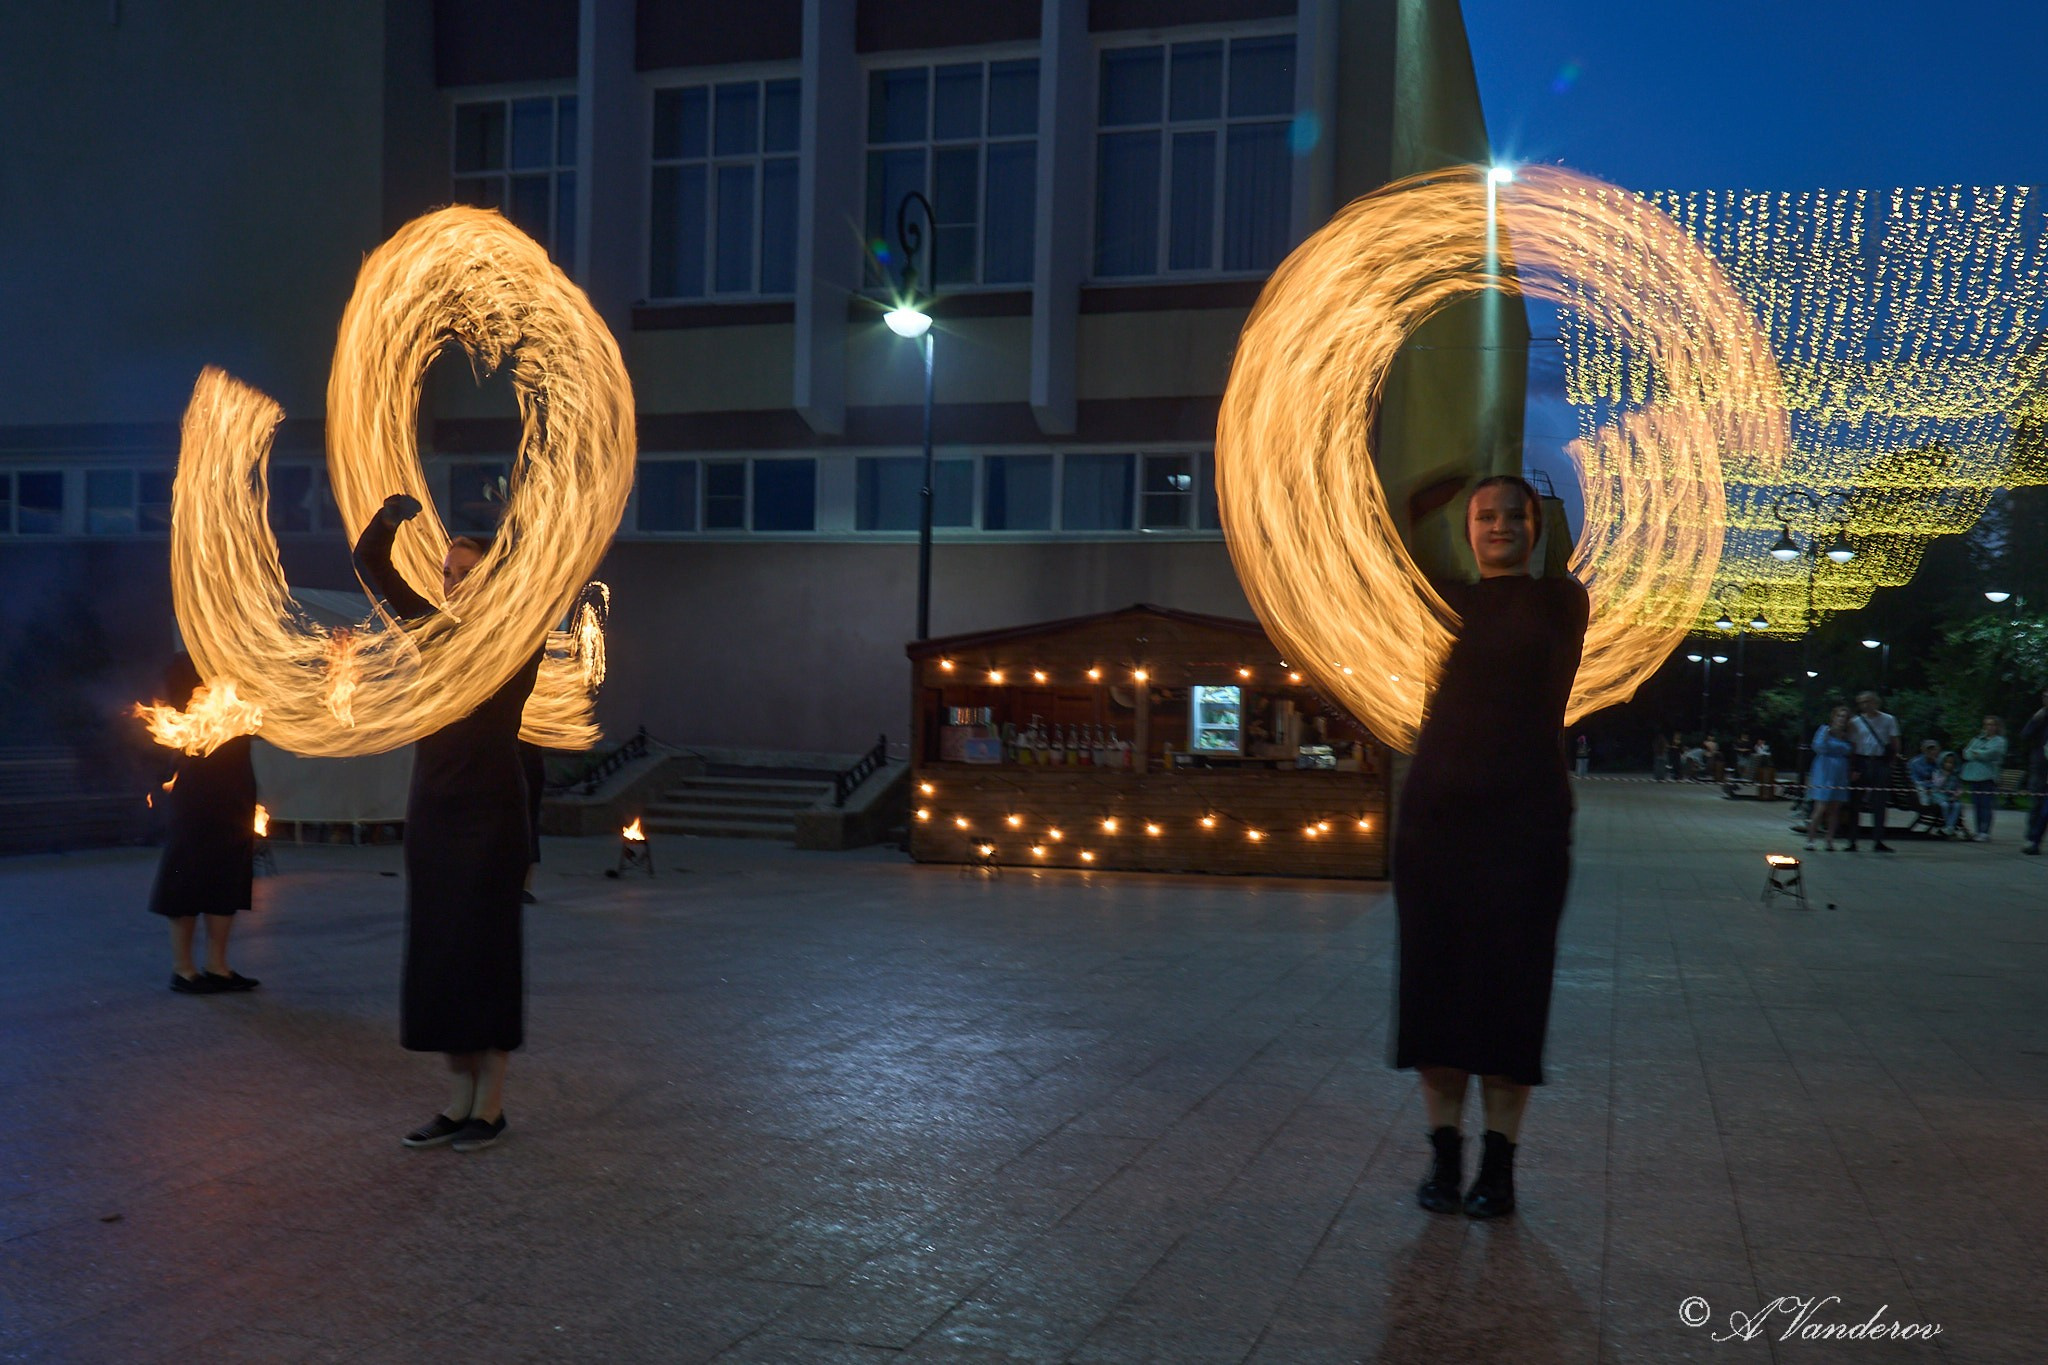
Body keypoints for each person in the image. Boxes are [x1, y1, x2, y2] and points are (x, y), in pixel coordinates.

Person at [1394, 475, 1589, 1220]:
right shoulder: (1442, 602)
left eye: (1517, 514)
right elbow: (1386, 561)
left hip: (1526, 816)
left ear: (1538, 528)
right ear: (1466, 528)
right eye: (1485, 515)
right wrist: (1422, 501)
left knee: (1512, 986)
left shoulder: (1559, 602)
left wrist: (1564, 501)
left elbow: (1570, 560)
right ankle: (1444, 1157)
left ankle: (1499, 1168)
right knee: (1434, 986)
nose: (1501, 525)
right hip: (1436, 817)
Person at [355, 494, 541, 1154]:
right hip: (433, 811)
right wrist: (388, 518)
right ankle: (456, 1099)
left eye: (467, 573)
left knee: (484, 957)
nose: (453, 583)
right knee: (440, 959)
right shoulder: (431, 633)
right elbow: (369, 561)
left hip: (491, 819)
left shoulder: (516, 642)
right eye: (448, 573)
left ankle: (489, 1106)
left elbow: (544, 573)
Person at [147, 652, 261, 994]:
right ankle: (183, 970)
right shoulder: (183, 665)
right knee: (187, 874)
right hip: (196, 789)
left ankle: (218, 967)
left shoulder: (242, 665)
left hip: (236, 787)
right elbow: (176, 715)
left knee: (228, 876)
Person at [1844, 690, 1900, 852]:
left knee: (1879, 803)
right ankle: (1852, 839)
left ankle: (1878, 839)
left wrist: (1891, 763)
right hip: (1862, 760)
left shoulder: (1888, 719)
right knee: (1855, 802)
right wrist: (1853, 767)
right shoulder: (1856, 722)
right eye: (1862, 702)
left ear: (1876, 702)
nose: (1865, 705)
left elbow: (1894, 741)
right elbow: (1853, 746)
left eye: (1868, 702)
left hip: (1880, 761)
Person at [1804, 705, 1853, 851]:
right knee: (1820, 807)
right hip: (1824, 770)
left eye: (1845, 717)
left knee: (1835, 809)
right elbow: (1818, 747)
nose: (1841, 720)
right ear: (1834, 717)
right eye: (1839, 716)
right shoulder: (1824, 730)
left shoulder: (1847, 735)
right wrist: (1827, 736)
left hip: (1840, 772)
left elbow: (1850, 751)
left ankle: (1829, 840)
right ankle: (1810, 839)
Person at [1961, 716, 2007, 842]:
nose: (1989, 727)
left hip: (1988, 777)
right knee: (1977, 805)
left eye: (1992, 725)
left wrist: (1977, 753)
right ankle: (1977, 830)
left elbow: (1991, 754)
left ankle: (1985, 831)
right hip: (1974, 776)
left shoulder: (1999, 741)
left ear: (1997, 727)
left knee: (1986, 805)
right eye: (1987, 724)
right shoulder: (1977, 739)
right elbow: (1966, 752)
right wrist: (1979, 753)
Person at [2020, 688, 2048, 856]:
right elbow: (2025, 735)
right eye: (2045, 697)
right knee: (2037, 805)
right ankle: (2032, 839)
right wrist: (2035, 719)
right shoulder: (2041, 718)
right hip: (2040, 768)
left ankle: (2034, 839)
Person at [1933, 751, 1965, 836]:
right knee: (1945, 805)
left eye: (1951, 763)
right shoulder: (1937, 772)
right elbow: (1937, 785)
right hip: (1939, 795)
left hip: (1952, 797)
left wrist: (1957, 794)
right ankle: (1949, 826)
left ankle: (1949, 827)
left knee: (1957, 805)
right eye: (1946, 762)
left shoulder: (1955, 775)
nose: (1949, 765)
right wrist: (1945, 776)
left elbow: (1959, 787)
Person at [1907, 739, 1942, 809]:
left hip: (1933, 791)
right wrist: (1928, 787)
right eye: (1928, 749)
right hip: (1917, 793)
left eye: (1934, 749)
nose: (1931, 752)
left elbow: (1941, 780)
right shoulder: (1915, 763)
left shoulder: (1940, 763)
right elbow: (1914, 781)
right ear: (1923, 750)